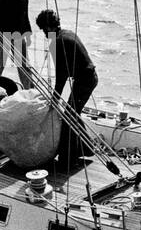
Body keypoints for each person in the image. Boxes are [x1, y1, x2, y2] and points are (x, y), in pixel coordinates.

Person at [35, 9, 98, 168]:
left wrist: (54, 101)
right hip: (88, 77)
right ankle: (86, 148)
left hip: (85, 80)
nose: (44, 33)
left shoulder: (58, 43)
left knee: (69, 117)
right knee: (72, 113)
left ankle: (69, 160)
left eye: (44, 29)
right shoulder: (66, 33)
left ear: (49, 27)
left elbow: (61, 77)